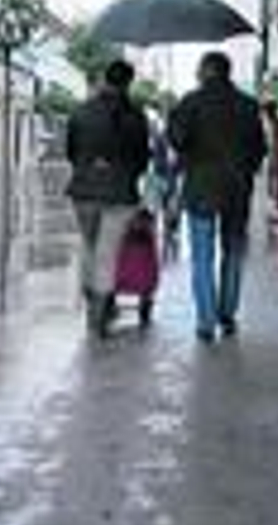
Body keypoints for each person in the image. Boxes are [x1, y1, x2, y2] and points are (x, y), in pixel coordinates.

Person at [168, 51, 267, 343]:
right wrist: (244, 170)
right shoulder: (248, 106)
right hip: (238, 189)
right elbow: (260, 149)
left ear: (206, 70)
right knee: (233, 252)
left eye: (199, 68)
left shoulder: (190, 102)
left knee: (202, 255)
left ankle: (206, 321)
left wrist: (179, 126)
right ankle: (228, 314)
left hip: (201, 189)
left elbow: (177, 140)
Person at [66, 59, 151, 338]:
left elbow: (71, 151)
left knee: (90, 248)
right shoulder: (136, 117)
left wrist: (90, 166)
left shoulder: (81, 111)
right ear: (129, 82)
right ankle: (98, 316)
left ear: (104, 78)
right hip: (120, 193)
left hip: (84, 191)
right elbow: (142, 159)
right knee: (107, 253)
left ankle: (94, 304)